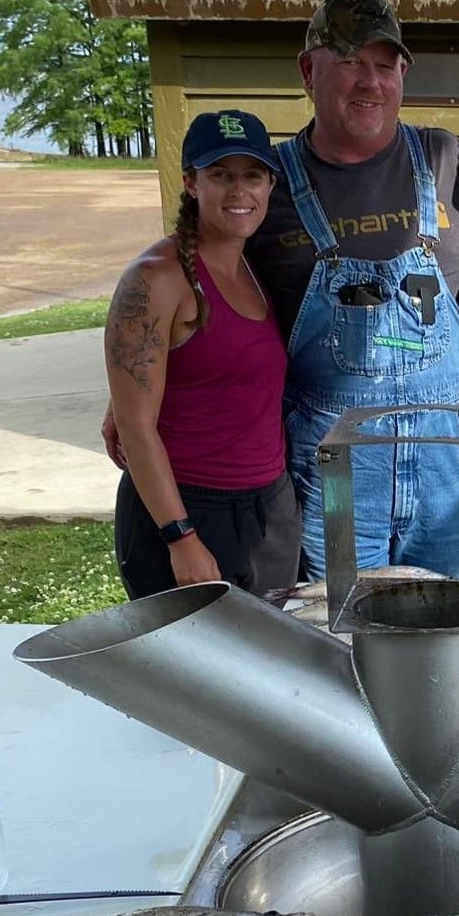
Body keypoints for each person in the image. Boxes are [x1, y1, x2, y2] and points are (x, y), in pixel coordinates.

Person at [104, 0, 459, 579]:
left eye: (385, 65)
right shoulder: (266, 186)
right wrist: (132, 386)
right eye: (350, 61)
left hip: (441, 469)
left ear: (403, 73)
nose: (370, 82)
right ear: (309, 71)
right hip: (337, 476)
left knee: (449, 627)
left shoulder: (443, 157)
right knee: (339, 634)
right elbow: (201, 283)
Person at [103, 110, 300, 599]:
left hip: (270, 508)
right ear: (191, 182)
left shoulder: (255, 264)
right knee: (190, 673)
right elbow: (135, 425)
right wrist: (180, 536)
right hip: (189, 509)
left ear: (270, 184)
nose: (239, 192)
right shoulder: (157, 278)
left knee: (269, 664)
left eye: (252, 175)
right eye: (221, 176)